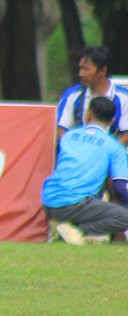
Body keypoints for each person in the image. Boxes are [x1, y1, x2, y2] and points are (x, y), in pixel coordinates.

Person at [42, 96, 128, 245]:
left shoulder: (68, 136)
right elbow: (120, 187)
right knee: (124, 217)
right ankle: (78, 230)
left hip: (48, 201)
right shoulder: (114, 147)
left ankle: (67, 231)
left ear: (88, 114)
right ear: (112, 121)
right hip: (75, 204)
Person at [56, 47, 128, 146]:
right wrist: (73, 151)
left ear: (103, 71)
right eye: (80, 68)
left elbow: (126, 134)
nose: (81, 74)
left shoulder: (123, 97)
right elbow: (61, 129)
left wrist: (108, 153)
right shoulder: (72, 95)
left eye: (86, 69)